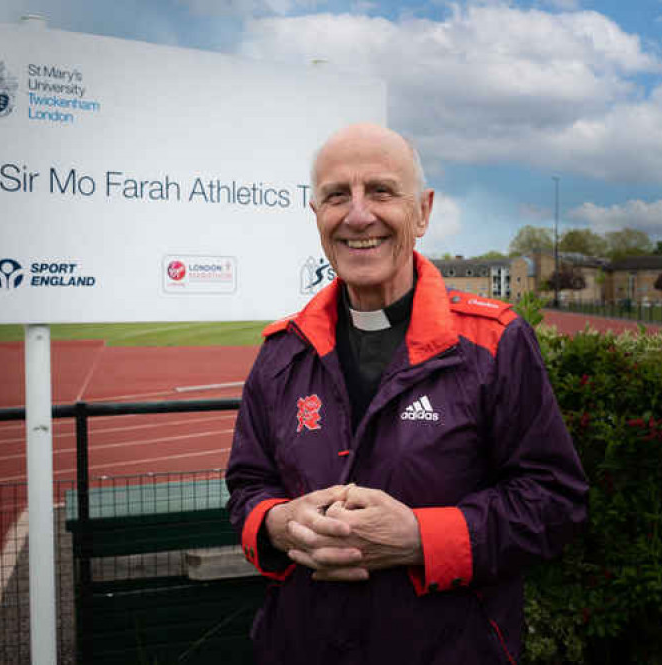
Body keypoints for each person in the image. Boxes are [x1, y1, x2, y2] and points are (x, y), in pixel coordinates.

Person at [226, 123, 587, 664]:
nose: (357, 215)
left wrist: (421, 537)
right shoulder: (283, 351)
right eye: (335, 196)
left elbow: (555, 501)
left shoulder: (493, 342)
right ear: (317, 217)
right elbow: (247, 487)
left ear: (423, 211)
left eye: (381, 190)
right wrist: (277, 523)